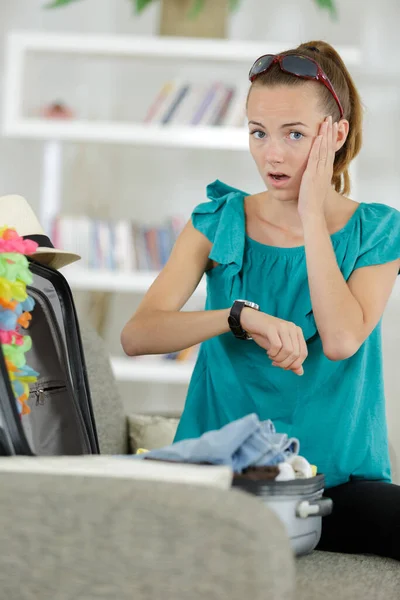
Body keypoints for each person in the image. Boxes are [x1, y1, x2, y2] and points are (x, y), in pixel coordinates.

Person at [121, 40, 400, 560]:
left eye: (295, 134)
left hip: (332, 485)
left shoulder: (376, 229)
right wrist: (236, 316)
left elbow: (340, 339)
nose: (271, 154)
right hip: (221, 480)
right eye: (258, 132)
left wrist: (312, 215)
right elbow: (138, 335)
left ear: (335, 135)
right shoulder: (218, 220)